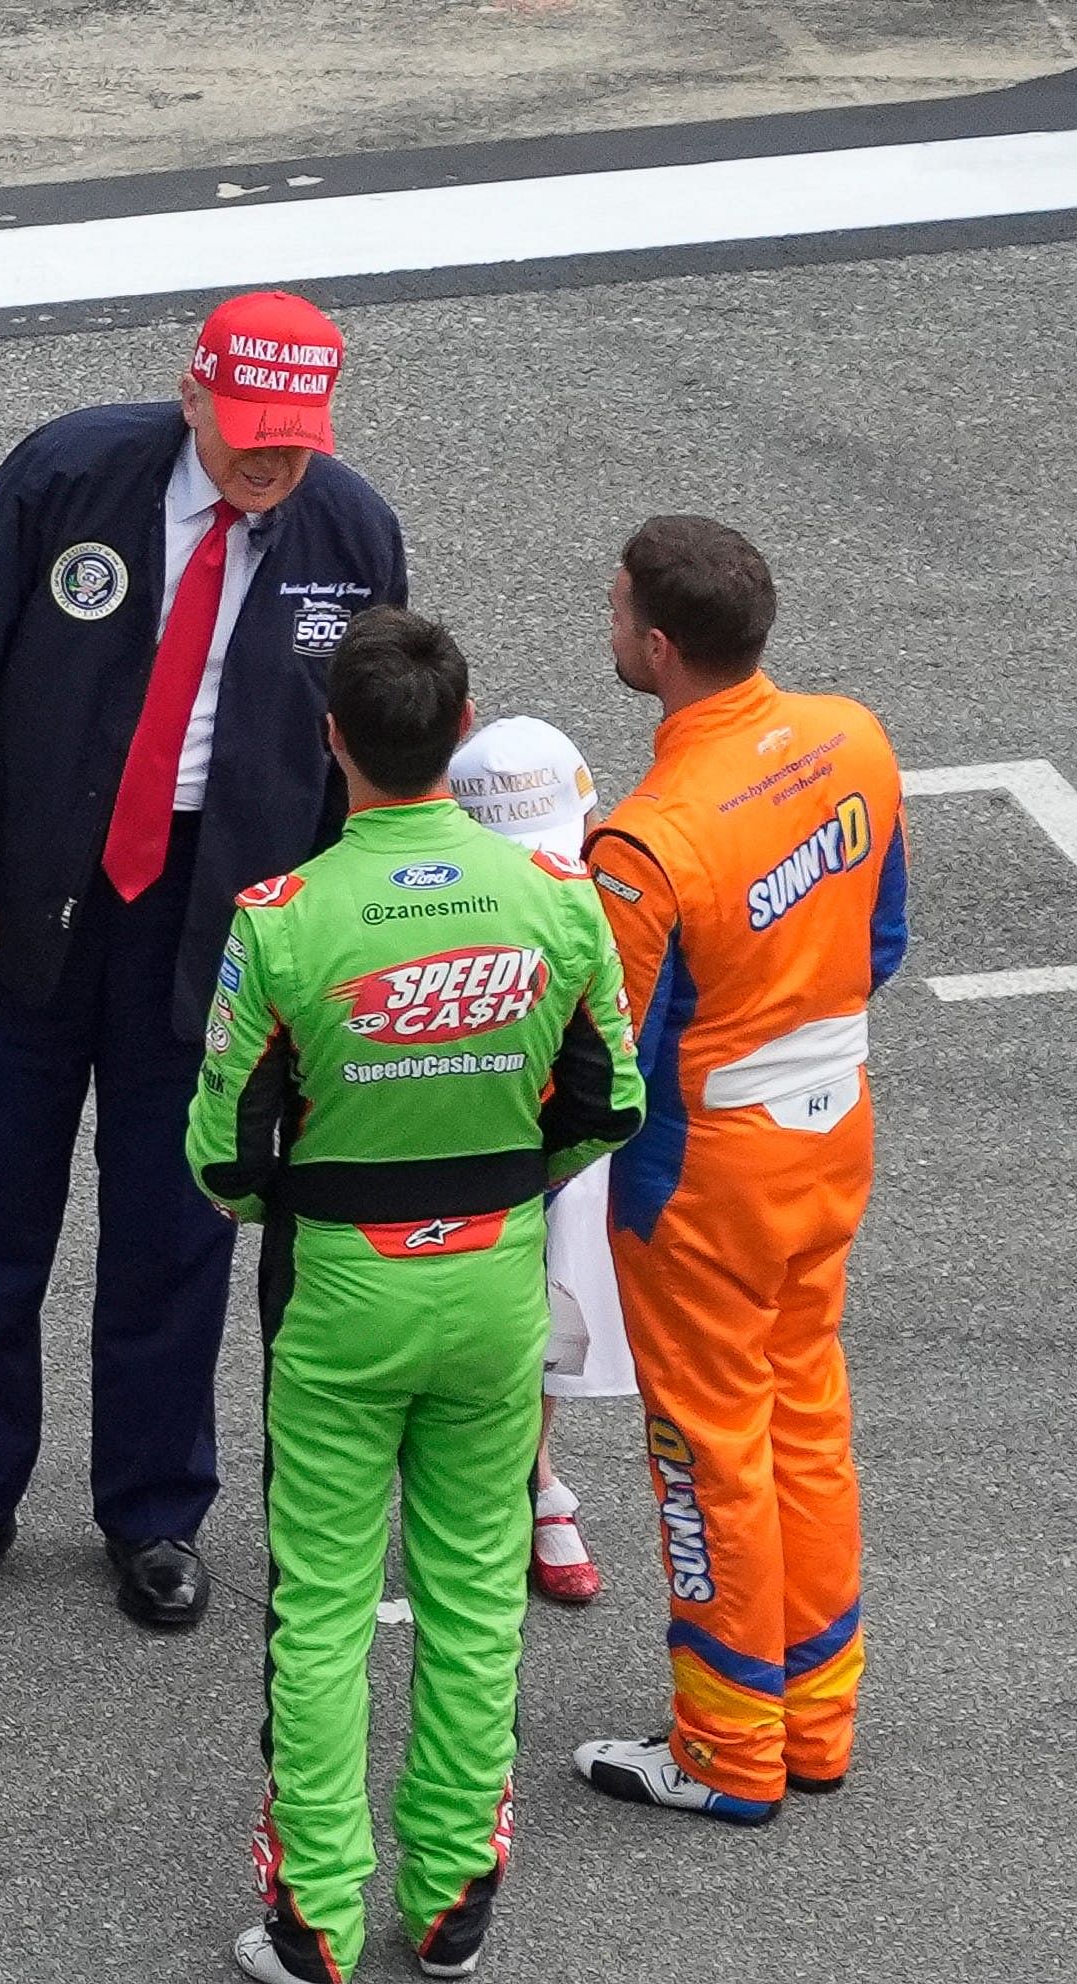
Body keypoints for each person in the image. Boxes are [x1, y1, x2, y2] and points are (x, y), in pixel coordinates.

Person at [0, 290, 409, 1634]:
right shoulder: (66, 475)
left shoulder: (350, 533)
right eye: (246, 435)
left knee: (176, 1223)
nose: (267, 464)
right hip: (24, 898)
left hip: (218, 918)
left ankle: (155, 1513)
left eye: (291, 442)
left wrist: (323, 933)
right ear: (190, 397)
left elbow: (366, 750)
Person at [187, 609, 644, 1984]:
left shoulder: (282, 922)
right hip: (496, 1288)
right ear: (459, 735)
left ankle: (314, 1921)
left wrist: (323, 1207)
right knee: (471, 1597)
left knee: (319, 1610)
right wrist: (495, 1191)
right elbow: (605, 1105)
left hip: (337, 1296)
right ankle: (451, 1905)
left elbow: (223, 1158)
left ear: (332, 744)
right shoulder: (557, 905)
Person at [570, 515, 908, 1827]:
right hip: (831, 1135)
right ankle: (815, 1723)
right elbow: (880, 937)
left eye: (613, 611)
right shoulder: (853, 738)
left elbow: (604, 1060)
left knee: (703, 1453)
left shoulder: (646, 844)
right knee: (805, 1421)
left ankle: (722, 1750)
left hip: (701, 1177)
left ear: (657, 645)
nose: (607, 626)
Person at [448, 715, 633, 1606]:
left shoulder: (602, 899)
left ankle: (534, 1471)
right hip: (446, 1128)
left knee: (552, 1292)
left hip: (555, 1140)